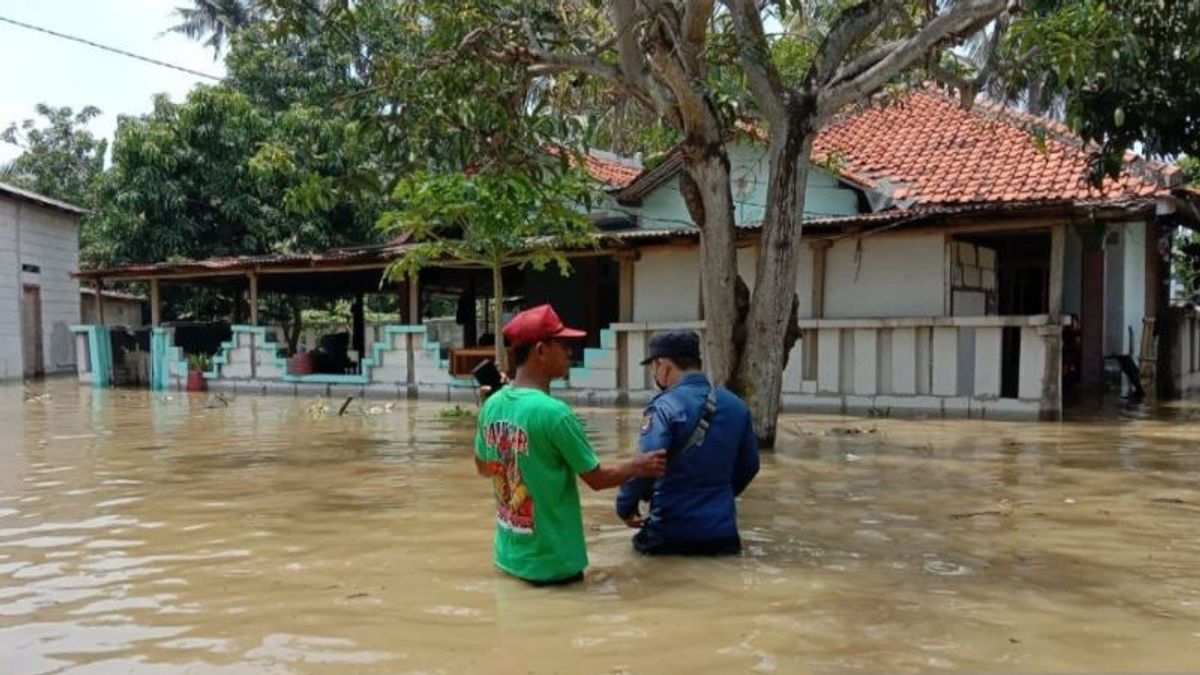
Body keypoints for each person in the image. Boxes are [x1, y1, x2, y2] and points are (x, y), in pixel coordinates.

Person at [474, 304, 667, 586]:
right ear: (540, 350)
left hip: (508, 559)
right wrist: (637, 466)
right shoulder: (555, 413)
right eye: (562, 344)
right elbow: (598, 480)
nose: (569, 352)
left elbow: (484, 468)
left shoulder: (490, 406)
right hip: (553, 567)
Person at [616, 330, 759, 555]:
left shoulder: (664, 407)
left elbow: (647, 463)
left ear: (663, 365)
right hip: (722, 536)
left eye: (653, 366)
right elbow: (751, 465)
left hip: (669, 533)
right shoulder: (736, 406)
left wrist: (625, 507)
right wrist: (716, 498)